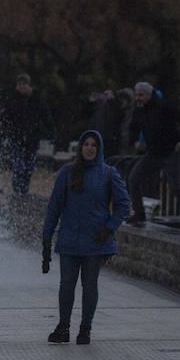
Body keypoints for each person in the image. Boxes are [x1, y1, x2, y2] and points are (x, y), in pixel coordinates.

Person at [42, 130, 130, 345]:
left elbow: (123, 205)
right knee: (66, 285)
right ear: (80, 148)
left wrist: (109, 228)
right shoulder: (68, 172)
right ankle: (63, 326)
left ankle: (85, 328)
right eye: (86, 144)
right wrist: (46, 238)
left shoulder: (108, 174)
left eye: (93, 145)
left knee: (90, 285)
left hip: (96, 242)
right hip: (70, 240)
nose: (89, 148)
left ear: (98, 149)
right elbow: (54, 207)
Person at [126, 81, 180, 227]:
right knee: (134, 178)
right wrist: (134, 140)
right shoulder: (139, 110)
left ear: (148, 94)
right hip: (154, 152)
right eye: (136, 95)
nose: (138, 98)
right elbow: (133, 127)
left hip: (172, 151)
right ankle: (139, 214)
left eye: (140, 95)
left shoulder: (164, 106)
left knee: (175, 186)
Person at [0, 73, 52, 195]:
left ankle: (23, 191)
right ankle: (18, 192)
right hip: (16, 139)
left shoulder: (38, 100)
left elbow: (46, 117)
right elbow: (4, 119)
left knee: (28, 168)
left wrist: (49, 133)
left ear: (29, 86)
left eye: (24, 84)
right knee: (18, 167)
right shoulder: (12, 100)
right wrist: (2, 136)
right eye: (19, 84)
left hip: (32, 141)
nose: (21, 87)